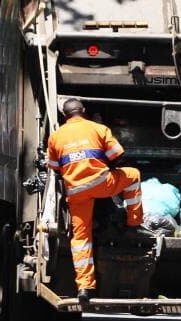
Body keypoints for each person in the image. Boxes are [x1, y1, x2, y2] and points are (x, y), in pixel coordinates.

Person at [47, 98, 145, 304]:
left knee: (81, 238)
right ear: (84, 111)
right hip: (101, 184)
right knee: (133, 175)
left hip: (76, 192)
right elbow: (118, 156)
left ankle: (84, 287)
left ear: (65, 116)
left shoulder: (55, 136)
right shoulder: (98, 128)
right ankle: (134, 223)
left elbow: (54, 167)